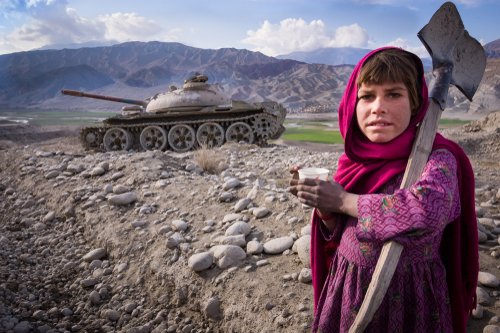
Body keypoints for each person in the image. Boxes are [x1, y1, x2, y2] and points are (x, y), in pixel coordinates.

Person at [288, 47, 478, 332]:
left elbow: (427, 212)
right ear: (352, 104)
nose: (378, 107)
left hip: (414, 297)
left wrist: (342, 199)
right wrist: (327, 209)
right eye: (367, 96)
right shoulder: (353, 163)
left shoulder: (437, 158)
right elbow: (342, 232)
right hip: (350, 291)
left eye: (393, 94)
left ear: (415, 103)